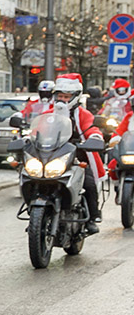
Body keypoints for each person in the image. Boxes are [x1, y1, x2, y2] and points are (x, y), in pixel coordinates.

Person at [52, 74, 105, 234]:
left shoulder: (83, 114)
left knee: (88, 182)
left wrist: (95, 136)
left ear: (75, 97)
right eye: (60, 96)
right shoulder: (49, 112)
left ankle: (91, 218)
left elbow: (91, 127)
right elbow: (38, 128)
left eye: (66, 97)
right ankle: (37, 213)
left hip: (78, 156)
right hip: (52, 156)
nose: (62, 100)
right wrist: (28, 136)